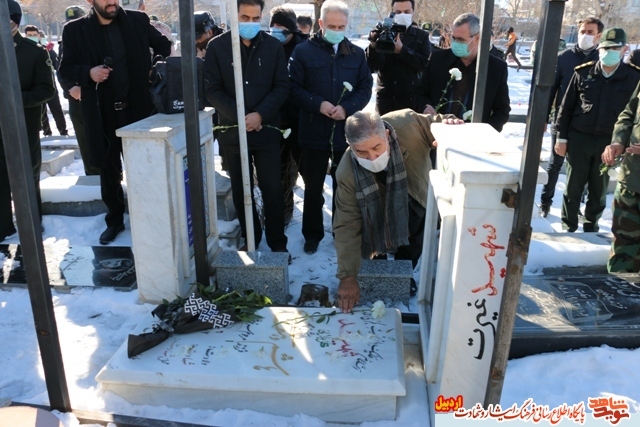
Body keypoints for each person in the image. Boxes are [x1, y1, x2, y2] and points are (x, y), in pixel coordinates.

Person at [59, 0, 172, 245]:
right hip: (102, 114)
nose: (112, 1)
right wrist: (88, 73)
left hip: (139, 112)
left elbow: (164, 45)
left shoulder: (137, 21)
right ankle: (115, 220)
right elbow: (65, 69)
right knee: (109, 172)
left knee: (145, 168)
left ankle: (151, 219)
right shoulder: (75, 30)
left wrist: (155, 69)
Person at [333, 109, 463, 312]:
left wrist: (449, 128)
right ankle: (378, 268)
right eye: (362, 152)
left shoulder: (407, 124)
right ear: (350, 146)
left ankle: (405, 270)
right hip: (375, 205)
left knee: (415, 235)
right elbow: (346, 224)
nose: (372, 157)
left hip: (413, 189)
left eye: (377, 147)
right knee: (374, 232)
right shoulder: (347, 172)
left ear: (385, 134)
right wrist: (348, 276)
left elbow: (436, 124)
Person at [205, 0, 290, 254]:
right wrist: (240, 116)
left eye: (255, 18)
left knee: (272, 189)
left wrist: (260, 114)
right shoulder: (217, 47)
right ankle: (251, 237)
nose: (250, 23)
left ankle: (277, 243)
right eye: (244, 17)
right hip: (232, 131)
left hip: (266, 131)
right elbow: (212, 89)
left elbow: (281, 86)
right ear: (234, 15)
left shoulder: (273, 47)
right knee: (243, 189)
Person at [289, 0, 373, 255]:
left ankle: (341, 231)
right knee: (313, 187)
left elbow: (365, 88)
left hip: (344, 132)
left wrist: (347, 108)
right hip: (313, 130)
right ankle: (312, 234)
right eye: (332, 25)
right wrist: (319, 104)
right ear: (321, 24)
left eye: (342, 26)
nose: (337, 29)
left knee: (344, 187)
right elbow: (293, 88)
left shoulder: (356, 54)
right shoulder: (303, 52)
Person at [555, 28, 640, 233]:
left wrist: (623, 142)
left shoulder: (633, 77)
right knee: (573, 185)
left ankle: (591, 226)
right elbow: (566, 107)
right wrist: (561, 137)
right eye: (605, 47)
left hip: (608, 142)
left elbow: (632, 114)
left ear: (624, 49)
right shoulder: (583, 71)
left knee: (598, 187)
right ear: (599, 48)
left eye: (614, 48)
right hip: (579, 137)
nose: (608, 51)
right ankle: (569, 225)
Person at [0, 0, 56, 242]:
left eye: (13, 16)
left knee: (27, 177)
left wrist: (13, 99)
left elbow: (47, 90)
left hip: (24, 126)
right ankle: (3, 226)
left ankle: (32, 222)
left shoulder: (35, 52)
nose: (8, 20)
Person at [539, 18, 602, 218]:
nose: (586, 35)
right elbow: (550, 89)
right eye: (583, 30)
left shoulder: (602, 60)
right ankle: (545, 202)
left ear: (599, 35)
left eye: (591, 32)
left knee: (583, 167)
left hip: (587, 123)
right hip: (562, 120)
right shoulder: (564, 57)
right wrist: (543, 117)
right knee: (555, 162)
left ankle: (580, 205)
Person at [416, 13, 510, 132]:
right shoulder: (438, 59)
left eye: (460, 39)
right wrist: (425, 106)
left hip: (473, 137)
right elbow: (420, 93)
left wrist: (484, 133)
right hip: (437, 132)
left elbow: (502, 110)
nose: (455, 43)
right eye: (453, 38)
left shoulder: (496, 68)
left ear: (476, 38)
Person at [269, 6, 308, 225]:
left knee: (307, 170)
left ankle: (314, 207)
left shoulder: (303, 48)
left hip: (300, 120)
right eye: (274, 27)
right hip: (274, 120)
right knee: (280, 171)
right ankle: (285, 212)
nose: (277, 32)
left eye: (282, 28)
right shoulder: (265, 46)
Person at [365, 0, 431, 115]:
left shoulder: (422, 37)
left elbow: (424, 64)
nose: (402, 15)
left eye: (406, 12)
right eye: (398, 12)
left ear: (413, 12)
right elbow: (370, 66)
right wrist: (374, 44)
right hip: (386, 102)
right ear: (392, 13)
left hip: (410, 103)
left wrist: (402, 50)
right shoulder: (384, 33)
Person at [602, 81, 640, 272]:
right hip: (631, 178)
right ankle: (616, 292)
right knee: (622, 245)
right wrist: (618, 140)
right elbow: (628, 114)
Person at [24, 25, 68, 137]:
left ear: (38, 35)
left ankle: (63, 131)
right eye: (29, 35)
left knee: (56, 109)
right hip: (34, 88)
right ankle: (47, 132)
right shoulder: (24, 50)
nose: (32, 37)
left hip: (49, 85)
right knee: (41, 112)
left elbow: (57, 65)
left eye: (34, 35)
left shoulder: (44, 50)